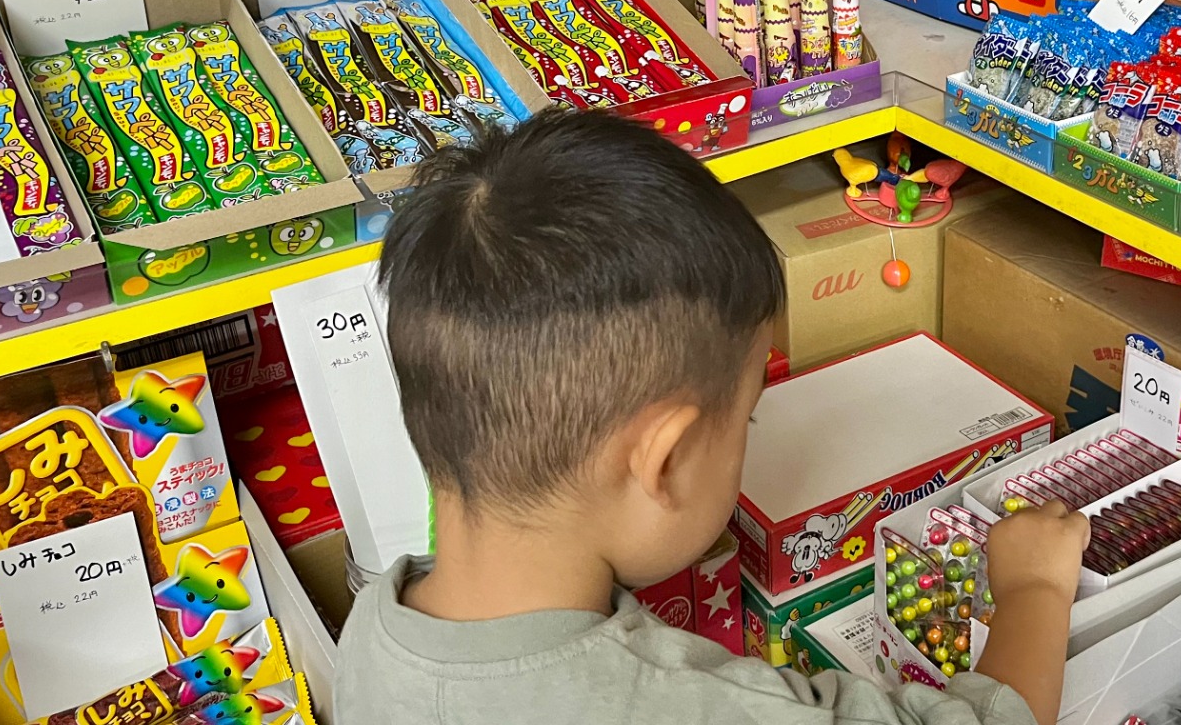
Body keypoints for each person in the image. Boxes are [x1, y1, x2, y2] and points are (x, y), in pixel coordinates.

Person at [336, 112, 1091, 725]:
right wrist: (1034, 593)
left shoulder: (373, 625)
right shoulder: (708, 709)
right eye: (748, 424)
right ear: (662, 461)